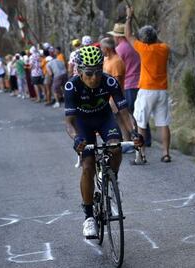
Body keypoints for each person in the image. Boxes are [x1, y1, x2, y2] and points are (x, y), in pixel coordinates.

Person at [64, 45, 143, 237]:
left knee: (115, 148)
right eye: (89, 73)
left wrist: (133, 133)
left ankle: (111, 177)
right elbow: (69, 122)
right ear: (80, 72)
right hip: (83, 123)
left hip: (104, 118)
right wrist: (77, 139)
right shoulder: (72, 86)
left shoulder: (110, 82)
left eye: (98, 72)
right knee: (88, 165)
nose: (94, 78)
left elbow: (123, 112)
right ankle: (89, 217)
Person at [125, 6, 172, 164]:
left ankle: (141, 155)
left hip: (146, 90)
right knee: (163, 123)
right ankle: (165, 153)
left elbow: (128, 35)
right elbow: (158, 42)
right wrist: (151, 35)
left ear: (144, 40)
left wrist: (129, 17)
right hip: (162, 90)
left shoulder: (143, 49)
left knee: (141, 123)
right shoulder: (164, 49)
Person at [107, 23, 152, 147]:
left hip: (129, 83)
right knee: (141, 111)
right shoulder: (135, 46)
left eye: (115, 36)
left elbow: (119, 67)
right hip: (141, 81)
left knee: (130, 113)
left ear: (118, 37)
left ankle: (136, 139)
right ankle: (146, 139)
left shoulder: (120, 49)